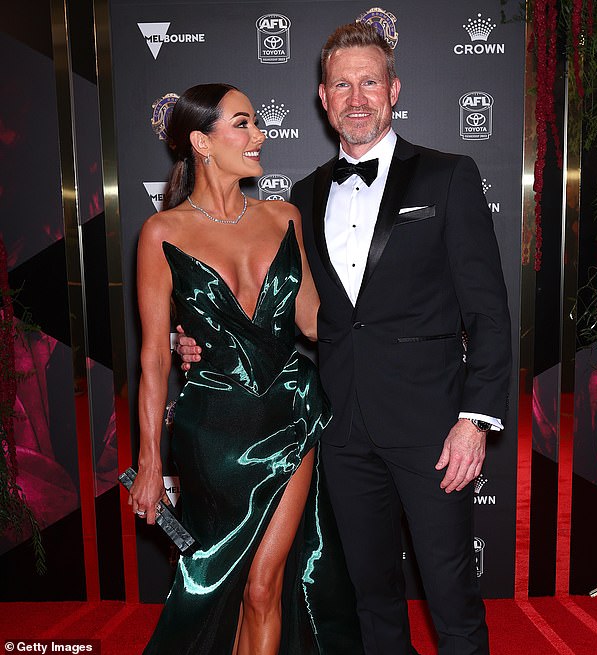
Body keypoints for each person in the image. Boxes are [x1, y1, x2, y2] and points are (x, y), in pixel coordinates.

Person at [178, 22, 512, 655]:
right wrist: (200, 338)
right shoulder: (300, 199)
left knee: (451, 596)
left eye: (369, 82)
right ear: (323, 100)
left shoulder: (449, 176)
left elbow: (490, 314)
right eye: (342, 85)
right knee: (370, 595)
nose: (356, 98)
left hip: (434, 430)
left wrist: (476, 421)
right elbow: (283, 313)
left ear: (393, 91)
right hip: (341, 430)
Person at [129, 83, 361, 655]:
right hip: (213, 432)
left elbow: (312, 320)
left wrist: (393, 303)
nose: (261, 136)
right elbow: (156, 354)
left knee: (264, 586)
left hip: (292, 413)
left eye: (257, 124)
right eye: (244, 124)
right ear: (201, 142)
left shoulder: (283, 217)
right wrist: (150, 460)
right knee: (223, 584)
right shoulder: (163, 233)